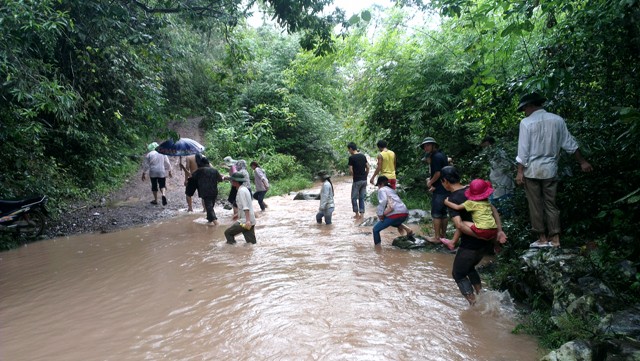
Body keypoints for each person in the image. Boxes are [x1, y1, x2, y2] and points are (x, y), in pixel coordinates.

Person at [516, 93, 593, 248]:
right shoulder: (557, 120)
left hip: (532, 170)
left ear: (530, 106)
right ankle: (555, 238)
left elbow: (523, 150)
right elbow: (570, 143)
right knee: (551, 204)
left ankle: (542, 238)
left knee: (535, 204)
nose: (524, 112)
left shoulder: (526, 123)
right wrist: (582, 162)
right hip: (550, 169)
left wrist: (519, 172)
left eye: (524, 108)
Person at [440, 166, 507, 306]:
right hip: (487, 241)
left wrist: (480, 236)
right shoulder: (472, 190)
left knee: (458, 273)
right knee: (469, 268)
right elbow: (493, 209)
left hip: (471, 244)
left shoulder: (452, 199)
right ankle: (482, 298)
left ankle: (475, 305)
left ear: (445, 181)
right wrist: (498, 231)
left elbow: (459, 225)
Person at [441, 179, 499, 250]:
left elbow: (457, 207)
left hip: (482, 231)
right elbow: (494, 212)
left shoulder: (471, 203)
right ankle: (496, 246)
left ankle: (453, 242)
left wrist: (446, 202)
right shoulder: (487, 203)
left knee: (461, 223)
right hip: (494, 230)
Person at [418, 137, 449, 243]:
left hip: (440, 190)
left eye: (428, 145)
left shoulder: (435, 157)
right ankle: (443, 236)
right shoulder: (442, 155)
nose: (426, 147)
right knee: (443, 213)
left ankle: (436, 238)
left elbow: (438, 173)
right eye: (424, 146)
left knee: (436, 213)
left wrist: (430, 183)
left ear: (433, 145)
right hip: (445, 187)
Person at [372, 176, 413, 246]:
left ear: (381, 184)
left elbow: (383, 201)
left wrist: (380, 214)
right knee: (390, 221)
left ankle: (377, 248)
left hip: (396, 214)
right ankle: (407, 229)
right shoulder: (391, 190)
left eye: (378, 185)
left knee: (375, 230)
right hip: (404, 213)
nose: (378, 187)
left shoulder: (382, 190)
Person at [480, 136, 515, 216]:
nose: (484, 149)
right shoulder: (491, 155)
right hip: (496, 184)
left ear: (489, 144)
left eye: (485, 146)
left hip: (503, 183)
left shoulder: (499, 153)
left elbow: (508, 167)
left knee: (505, 205)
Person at [185, 156, 224, 225]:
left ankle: (216, 223)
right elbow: (220, 179)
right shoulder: (214, 170)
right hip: (214, 191)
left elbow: (191, 177)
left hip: (205, 191)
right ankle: (209, 219)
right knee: (210, 206)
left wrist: (183, 168)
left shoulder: (200, 170)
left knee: (209, 207)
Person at [224, 172, 257, 244]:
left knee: (228, 233)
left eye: (232, 181)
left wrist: (247, 221)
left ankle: (232, 251)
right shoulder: (245, 189)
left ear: (235, 182)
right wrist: (238, 214)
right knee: (251, 243)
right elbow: (246, 205)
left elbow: (245, 206)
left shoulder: (241, 191)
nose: (231, 182)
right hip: (250, 219)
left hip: (245, 221)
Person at [347, 142, 370, 218]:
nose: (349, 152)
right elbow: (368, 167)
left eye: (348, 150)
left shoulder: (351, 158)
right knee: (361, 197)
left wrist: (354, 176)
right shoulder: (363, 156)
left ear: (351, 149)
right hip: (364, 180)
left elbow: (350, 170)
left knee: (353, 197)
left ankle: (356, 214)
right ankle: (362, 213)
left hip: (357, 180)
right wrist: (365, 175)